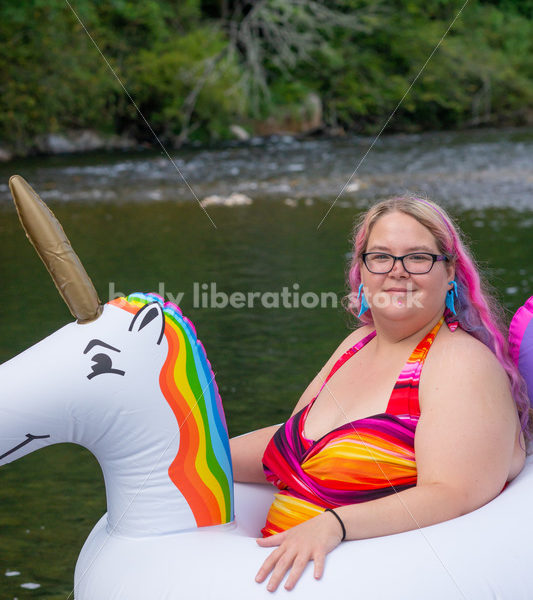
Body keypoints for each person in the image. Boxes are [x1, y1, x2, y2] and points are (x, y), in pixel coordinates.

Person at [230, 196, 530, 593]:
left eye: (418, 258)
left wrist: (335, 525)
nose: (397, 272)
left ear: (450, 271)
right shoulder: (355, 345)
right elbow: (297, 444)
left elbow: (453, 492)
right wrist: (193, 455)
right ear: (362, 271)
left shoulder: (461, 364)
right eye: (381, 257)